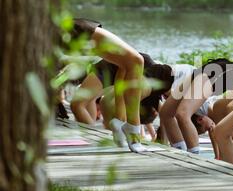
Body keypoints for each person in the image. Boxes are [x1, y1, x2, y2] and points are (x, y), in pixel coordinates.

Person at [68, 19, 173, 152]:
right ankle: (124, 127)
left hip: (87, 35)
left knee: (135, 62)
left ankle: (126, 127)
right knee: (79, 103)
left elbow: (165, 111)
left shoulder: (156, 91)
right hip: (113, 59)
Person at [159, 58, 233, 154]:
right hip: (212, 72)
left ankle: (188, 154)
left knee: (168, 112)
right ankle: (189, 155)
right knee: (176, 113)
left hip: (209, 72)